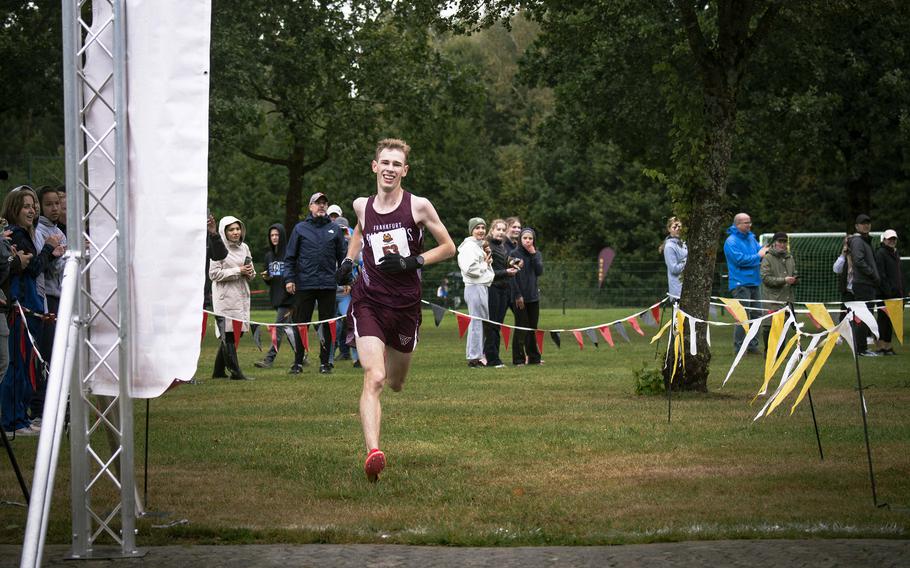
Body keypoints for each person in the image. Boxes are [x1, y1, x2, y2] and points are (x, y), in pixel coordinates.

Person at [335, 138, 455, 482]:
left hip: (404, 306)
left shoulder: (419, 206)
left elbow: (448, 247)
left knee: (397, 383)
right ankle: (373, 452)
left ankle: (394, 362)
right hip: (368, 301)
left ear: (405, 170)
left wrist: (412, 260)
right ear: (375, 166)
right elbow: (359, 230)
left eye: (396, 164)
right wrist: (348, 259)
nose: (389, 169)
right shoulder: (362, 205)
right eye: (384, 162)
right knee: (374, 377)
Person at [1, 187, 62, 436]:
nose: (32, 210)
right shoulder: (15, 234)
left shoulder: (26, 235)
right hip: (22, 307)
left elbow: (33, 265)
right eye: (27, 206)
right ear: (15, 208)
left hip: (31, 306)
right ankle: (12, 420)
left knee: (26, 364)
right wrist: (48, 249)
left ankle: (20, 418)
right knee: (17, 364)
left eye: (33, 205)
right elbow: (33, 267)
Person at [284, 192, 346, 375]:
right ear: (310, 207)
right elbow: (290, 258)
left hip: (328, 284)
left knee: (327, 323)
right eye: (317, 203)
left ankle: (325, 362)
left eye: (324, 203)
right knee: (301, 324)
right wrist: (289, 279)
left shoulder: (334, 229)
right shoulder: (300, 228)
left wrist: (346, 280)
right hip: (305, 284)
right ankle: (298, 362)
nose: (321, 206)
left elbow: (343, 258)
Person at [32, 186, 67, 424]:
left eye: (58, 204)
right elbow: (41, 266)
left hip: (59, 295)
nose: (55, 208)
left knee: (57, 354)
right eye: (50, 204)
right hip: (47, 299)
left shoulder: (58, 231)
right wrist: (55, 255)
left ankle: (53, 404)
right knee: (44, 354)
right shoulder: (40, 232)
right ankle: (38, 408)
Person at [209, 215, 256, 380]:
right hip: (225, 297)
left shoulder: (245, 248)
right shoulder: (217, 248)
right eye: (231, 229)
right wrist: (238, 271)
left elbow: (250, 269)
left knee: (237, 333)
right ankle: (236, 373)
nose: (235, 232)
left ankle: (218, 372)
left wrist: (250, 272)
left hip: (241, 295)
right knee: (228, 333)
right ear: (224, 231)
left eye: (237, 229)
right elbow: (213, 274)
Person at [254, 223, 301, 368]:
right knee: (289, 329)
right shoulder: (269, 256)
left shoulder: (290, 254)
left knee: (278, 328)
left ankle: (269, 359)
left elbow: (296, 275)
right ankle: (301, 355)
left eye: (277, 235)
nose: (274, 238)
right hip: (276, 297)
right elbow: (270, 280)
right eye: (272, 235)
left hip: (288, 299)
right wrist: (266, 278)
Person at [723, 212, 769, 353]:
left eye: (750, 222)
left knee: (757, 315)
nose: (749, 225)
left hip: (755, 281)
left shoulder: (751, 238)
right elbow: (739, 260)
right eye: (745, 222)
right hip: (740, 283)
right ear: (737, 224)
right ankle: (740, 347)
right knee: (742, 316)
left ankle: (752, 346)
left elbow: (760, 252)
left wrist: (764, 250)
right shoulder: (731, 241)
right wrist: (759, 255)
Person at [458, 217, 494, 367]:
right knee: (476, 323)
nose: (481, 231)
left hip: (481, 286)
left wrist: (487, 261)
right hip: (474, 287)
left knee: (482, 323)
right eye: (477, 228)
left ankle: (479, 355)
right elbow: (471, 270)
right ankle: (474, 358)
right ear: (471, 230)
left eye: (483, 228)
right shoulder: (469, 247)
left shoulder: (478, 246)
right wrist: (485, 264)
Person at [484, 219, 518, 368]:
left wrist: (512, 262)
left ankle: (491, 355)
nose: (501, 232)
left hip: (504, 288)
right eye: (498, 229)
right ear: (492, 231)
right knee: (492, 324)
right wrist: (506, 272)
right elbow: (487, 271)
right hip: (493, 288)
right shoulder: (488, 246)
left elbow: (502, 262)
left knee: (498, 324)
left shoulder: (501, 247)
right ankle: (492, 359)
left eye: (503, 230)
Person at [509, 227, 544, 366]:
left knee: (532, 328)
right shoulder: (514, 254)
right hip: (520, 298)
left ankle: (534, 358)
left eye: (530, 238)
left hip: (533, 297)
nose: (528, 241)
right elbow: (512, 277)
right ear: (520, 239)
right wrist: (518, 295)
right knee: (521, 327)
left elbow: (539, 271)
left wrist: (534, 254)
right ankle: (518, 359)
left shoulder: (536, 254)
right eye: (525, 238)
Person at [849, 214, 881, 357]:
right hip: (863, 284)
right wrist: (873, 275)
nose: (866, 225)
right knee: (862, 317)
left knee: (865, 316)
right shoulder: (857, 241)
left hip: (867, 283)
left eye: (868, 223)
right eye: (862, 223)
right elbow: (859, 261)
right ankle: (861, 349)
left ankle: (862, 348)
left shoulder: (865, 241)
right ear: (856, 226)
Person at [760, 232, 797, 350]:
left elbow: (794, 273)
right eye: (780, 241)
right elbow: (766, 279)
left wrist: (795, 279)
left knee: (784, 326)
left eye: (784, 241)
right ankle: (769, 352)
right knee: (769, 326)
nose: (782, 244)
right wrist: (784, 280)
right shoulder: (767, 258)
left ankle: (781, 354)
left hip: (787, 299)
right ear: (774, 243)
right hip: (772, 299)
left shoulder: (790, 257)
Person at [874, 229, 902, 355]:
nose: (892, 241)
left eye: (894, 239)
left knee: (891, 321)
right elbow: (881, 275)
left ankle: (888, 346)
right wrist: (888, 292)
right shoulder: (880, 253)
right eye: (889, 239)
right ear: (884, 240)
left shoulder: (895, 253)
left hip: (895, 294)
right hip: (884, 294)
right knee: (883, 320)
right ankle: (881, 347)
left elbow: (898, 274)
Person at [662, 216, 687, 299]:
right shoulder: (669, 246)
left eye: (679, 226)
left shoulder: (683, 243)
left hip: (687, 288)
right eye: (674, 227)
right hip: (677, 291)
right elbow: (674, 269)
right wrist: (688, 260)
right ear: (669, 229)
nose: (677, 229)